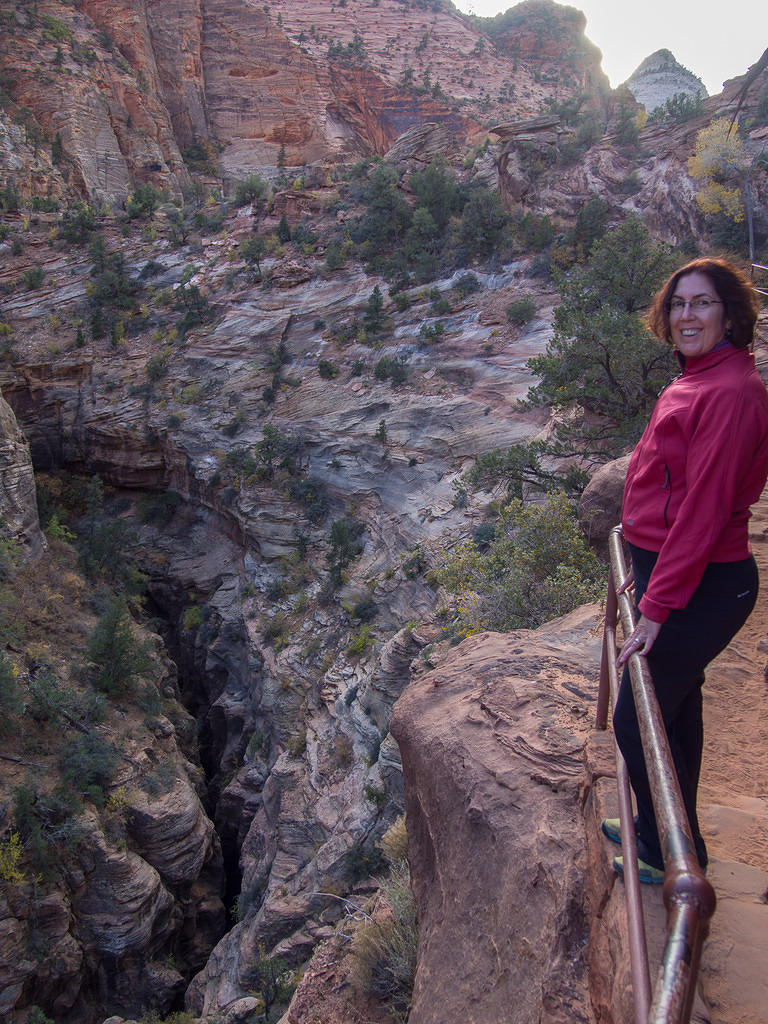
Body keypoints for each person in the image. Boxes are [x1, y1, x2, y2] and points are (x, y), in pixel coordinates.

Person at [607, 257, 768, 883]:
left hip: (704, 583)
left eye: (702, 303)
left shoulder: (731, 392)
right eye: (678, 304)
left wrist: (654, 608)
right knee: (675, 708)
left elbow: (701, 512)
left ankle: (663, 853)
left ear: (729, 313)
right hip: (672, 571)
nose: (686, 315)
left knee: (634, 717)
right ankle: (670, 833)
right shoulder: (697, 378)